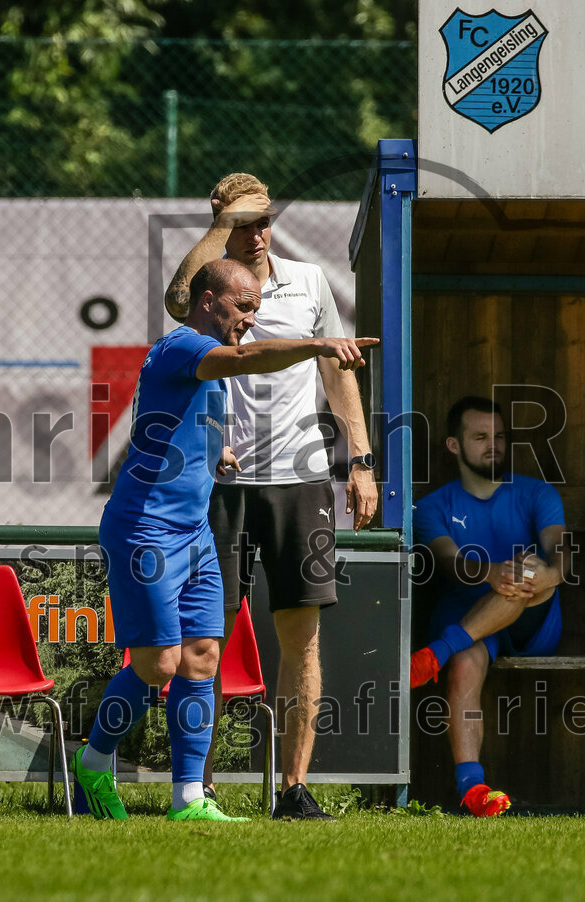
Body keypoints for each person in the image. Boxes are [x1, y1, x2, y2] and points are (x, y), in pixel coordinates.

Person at [72, 258, 376, 821]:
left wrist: (218, 453)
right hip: (147, 529)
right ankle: (93, 763)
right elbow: (241, 358)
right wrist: (316, 345)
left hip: (194, 533)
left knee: (202, 656)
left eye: (259, 310)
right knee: (158, 663)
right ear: (209, 300)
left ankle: (189, 799)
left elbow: (175, 423)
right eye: (244, 308)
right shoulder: (183, 345)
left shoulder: (206, 371)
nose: (252, 322)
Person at [163, 172, 378, 820]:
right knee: (208, 638)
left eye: (265, 219)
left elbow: (337, 371)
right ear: (225, 222)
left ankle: (294, 788)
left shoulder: (309, 282)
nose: (258, 232)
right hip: (221, 485)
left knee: (301, 638)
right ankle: (194, 789)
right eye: (245, 221)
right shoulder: (210, 285)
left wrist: (361, 460)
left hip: (300, 479)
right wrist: (220, 226)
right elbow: (177, 301)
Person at [409, 396, 566, 817]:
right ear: (453, 445)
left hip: (533, 619)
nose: (493, 445)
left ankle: (434, 655)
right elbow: (450, 561)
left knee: (530, 572)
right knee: (464, 663)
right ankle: (473, 789)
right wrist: (492, 573)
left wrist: (545, 576)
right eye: (480, 437)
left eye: (498, 436)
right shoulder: (432, 506)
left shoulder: (538, 492)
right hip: (466, 614)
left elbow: (561, 554)